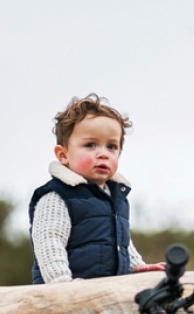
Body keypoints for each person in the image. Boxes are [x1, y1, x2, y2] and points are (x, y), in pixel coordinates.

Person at [30, 93, 165, 283]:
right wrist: (61, 283)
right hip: (66, 298)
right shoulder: (57, 196)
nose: (103, 154)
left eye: (111, 147)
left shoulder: (115, 196)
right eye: (91, 145)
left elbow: (120, 241)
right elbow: (49, 241)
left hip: (107, 295)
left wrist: (136, 266)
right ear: (63, 155)